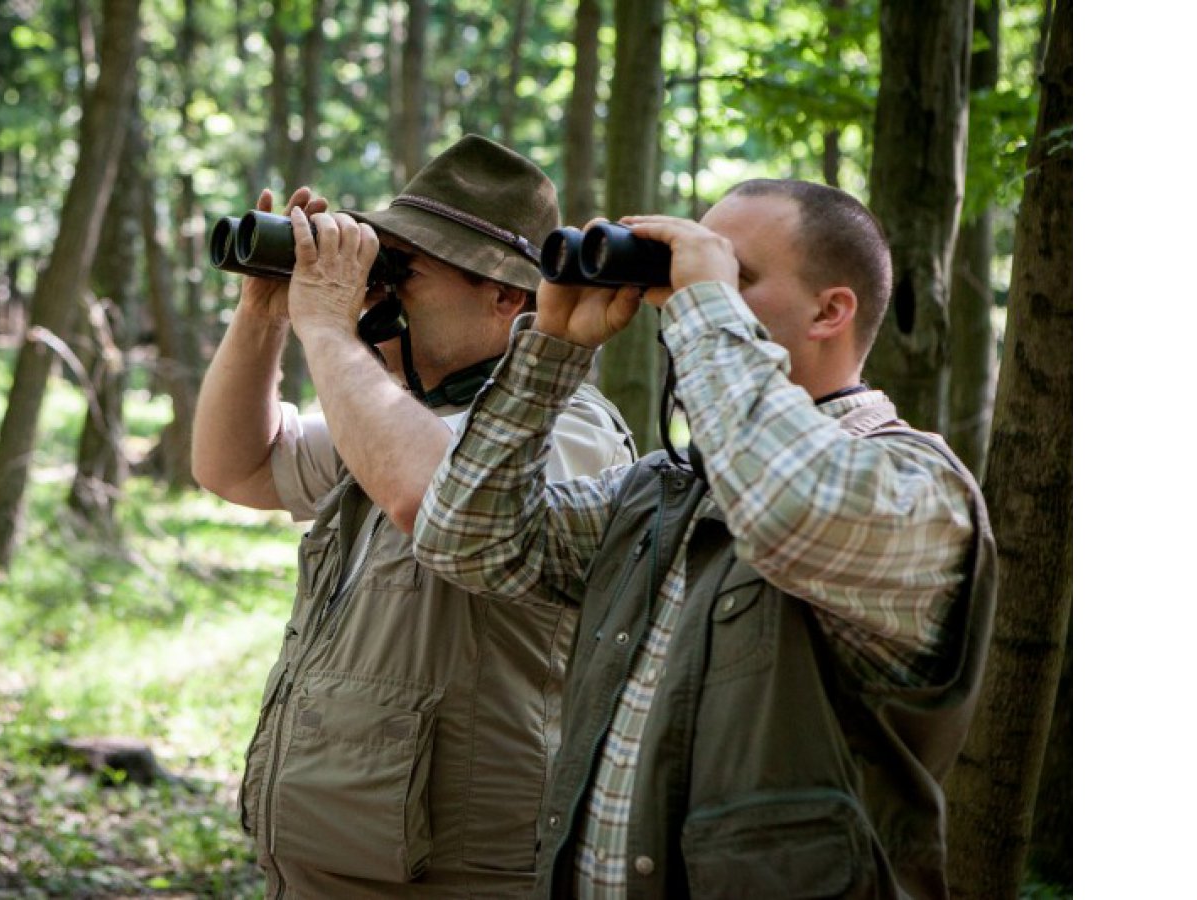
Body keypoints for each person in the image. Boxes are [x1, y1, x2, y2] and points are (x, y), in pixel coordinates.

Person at [412, 179, 996, 898]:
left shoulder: (917, 489)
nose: (687, 295)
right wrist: (550, 353)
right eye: (692, 272)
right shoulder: (664, 490)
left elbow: (785, 510)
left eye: (730, 273)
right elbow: (463, 538)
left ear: (830, 310)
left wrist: (702, 306)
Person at [191, 134, 636, 897]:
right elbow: (235, 465)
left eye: (402, 273)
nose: (377, 293)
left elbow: (432, 496)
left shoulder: (567, 428)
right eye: (377, 267)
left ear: (506, 295)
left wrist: (328, 330)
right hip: (336, 869)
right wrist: (265, 313)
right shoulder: (401, 418)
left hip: (457, 875)